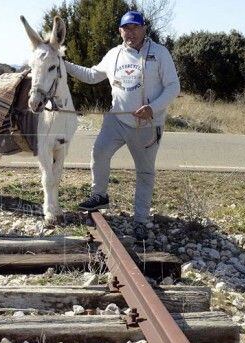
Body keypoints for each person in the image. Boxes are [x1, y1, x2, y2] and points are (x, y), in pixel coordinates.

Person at [65, 11, 180, 240]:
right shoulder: (114, 54)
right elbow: (90, 75)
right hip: (116, 119)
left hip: (147, 124)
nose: (131, 33)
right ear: (120, 31)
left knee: (145, 173)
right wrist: (63, 64)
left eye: (135, 28)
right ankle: (99, 195)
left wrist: (153, 108)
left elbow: (173, 87)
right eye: (126, 29)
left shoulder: (159, 53)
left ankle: (140, 220)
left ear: (144, 29)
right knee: (99, 152)